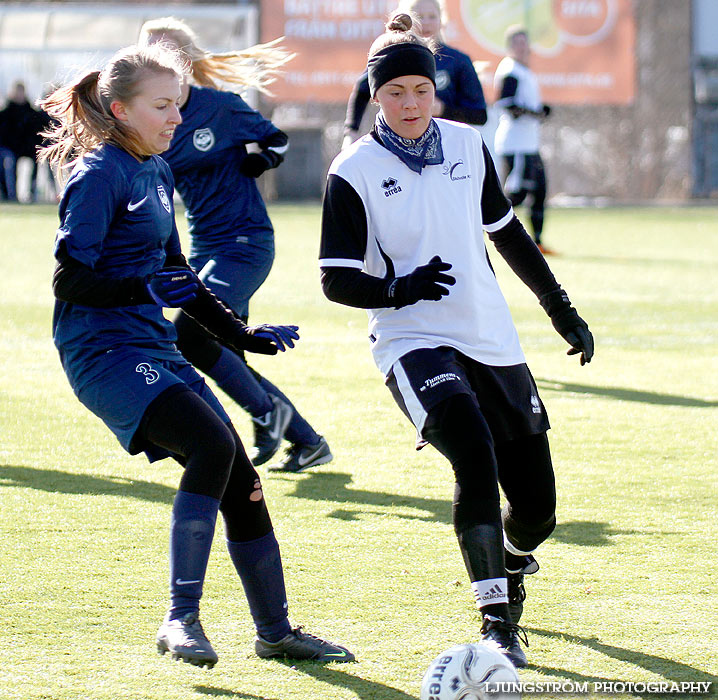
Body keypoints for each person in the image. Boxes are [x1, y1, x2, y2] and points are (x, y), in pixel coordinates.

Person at [40, 43, 354, 668]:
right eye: (162, 106)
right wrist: (141, 289)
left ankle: (276, 633)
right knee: (213, 449)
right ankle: (180, 619)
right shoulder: (101, 173)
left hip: (149, 345)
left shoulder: (156, 169)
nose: (176, 119)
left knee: (242, 480)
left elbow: (178, 274)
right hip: (101, 352)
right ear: (120, 109)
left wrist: (243, 335)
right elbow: (68, 281)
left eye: (178, 105)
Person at [320, 12, 593, 668]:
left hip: (490, 338)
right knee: (472, 452)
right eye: (394, 93)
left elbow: (506, 231)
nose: (409, 103)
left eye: (420, 90)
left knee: (537, 511)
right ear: (374, 96)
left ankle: (513, 560)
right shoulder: (352, 171)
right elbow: (336, 281)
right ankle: (496, 622)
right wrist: (401, 288)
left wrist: (560, 307)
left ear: (435, 90)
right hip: (410, 341)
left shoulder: (469, 146)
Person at [138, 17, 332, 473]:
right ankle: (290, 435)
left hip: (245, 243)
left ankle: (295, 431)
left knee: (190, 333)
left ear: (184, 62)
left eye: (161, 54)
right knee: (223, 345)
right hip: (201, 246)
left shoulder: (220, 108)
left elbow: (277, 139)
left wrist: (263, 159)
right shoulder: (157, 118)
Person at [342, 0, 487, 150]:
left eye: (432, 16)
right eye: (419, 17)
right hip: (396, 146)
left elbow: (480, 116)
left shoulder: (458, 60)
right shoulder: (392, 53)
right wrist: (350, 132)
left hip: (446, 148)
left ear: (442, 19)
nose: (426, 23)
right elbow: (362, 91)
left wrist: (443, 110)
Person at [493, 26, 553, 254]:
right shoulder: (511, 70)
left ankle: (537, 241)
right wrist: (534, 113)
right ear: (509, 47)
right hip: (516, 145)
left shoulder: (524, 70)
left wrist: (540, 110)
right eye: (516, 42)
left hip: (530, 144)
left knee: (539, 192)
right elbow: (506, 104)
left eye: (524, 42)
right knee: (514, 195)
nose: (522, 46)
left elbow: (523, 105)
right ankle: (484, 230)